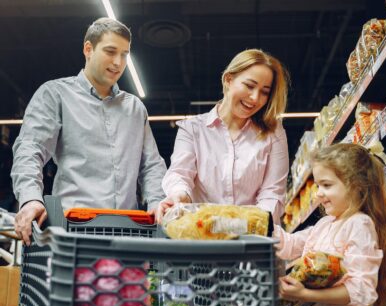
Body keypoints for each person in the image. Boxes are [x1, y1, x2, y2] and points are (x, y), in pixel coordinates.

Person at [12, 18, 167, 245]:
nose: (118, 62)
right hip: (72, 234)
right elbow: (30, 149)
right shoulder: (56, 95)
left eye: (124, 54)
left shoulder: (135, 108)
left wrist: (158, 203)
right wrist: (30, 199)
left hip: (129, 235)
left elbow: (151, 165)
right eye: (110, 51)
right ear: (88, 49)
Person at [276, 143, 386, 306]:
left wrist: (304, 294)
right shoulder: (324, 225)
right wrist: (255, 222)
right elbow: (289, 244)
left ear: (356, 186)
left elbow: (361, 290)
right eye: (317, 185)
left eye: (326, 185)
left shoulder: (359, 224)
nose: (318, 193)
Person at [157, 48, 289, 225]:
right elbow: (180, 174)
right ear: (228, 79)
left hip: (252, 240)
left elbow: (273, 193)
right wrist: (178, 196)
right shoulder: (192, 129)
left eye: (265, 92)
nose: (255, 98)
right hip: (201, 235)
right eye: (249, 86)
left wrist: (247, 225)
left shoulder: (273, 132)